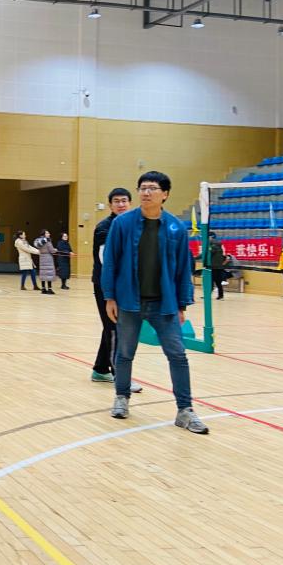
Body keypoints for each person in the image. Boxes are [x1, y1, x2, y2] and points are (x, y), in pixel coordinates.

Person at [101, 171, 208, 434]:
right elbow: (111, 261)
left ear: (165, 194)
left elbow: (183, 268)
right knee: (125, 353)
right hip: (128, 301)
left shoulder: (176, 227)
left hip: (165, 304)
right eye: (142, 188)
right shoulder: (122, 224)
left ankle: (185, 410)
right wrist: (110, 296)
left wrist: (182, 304)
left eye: (152, 188)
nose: (146, 193)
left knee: (178, 355)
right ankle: (121, 397)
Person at [91, 187, 141, 396]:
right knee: (114, 328)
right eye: (117, 201)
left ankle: (101, 369)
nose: (121, 204)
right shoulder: (104, 227)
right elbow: (106, 260)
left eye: (124, 201)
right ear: (110, 205)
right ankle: (121, 376)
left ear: (130, 203)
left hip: (126, 285)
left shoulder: (133, 224)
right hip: (107, 286)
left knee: (112, 327)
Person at [208, 232, 226, 300]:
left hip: (214, 267)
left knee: (211, 281)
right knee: (218, 282)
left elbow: (209, 253)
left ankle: (208, 295)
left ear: (210, 237)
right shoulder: (219, 245)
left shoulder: (213, 245)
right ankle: (220, 296)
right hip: (218, 267)